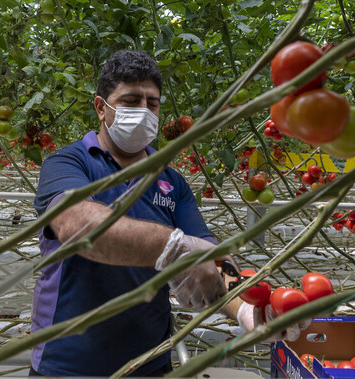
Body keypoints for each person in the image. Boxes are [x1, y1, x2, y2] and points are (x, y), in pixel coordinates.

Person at [29, 50, 306, 377]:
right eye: (131, 101)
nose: (143, 111)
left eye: (152, 103)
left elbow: (213, 258)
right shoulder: (68, 163)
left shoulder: (172, 183)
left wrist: (246, 306)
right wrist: (177, 248)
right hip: (68, 366)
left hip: (150, 364)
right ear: (102, 108)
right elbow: (78, 227)